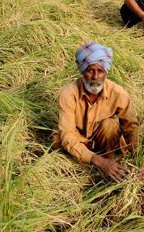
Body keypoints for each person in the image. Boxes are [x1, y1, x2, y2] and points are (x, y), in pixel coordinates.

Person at [54, 41, 139, 182]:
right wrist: (98, 161)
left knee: (110, 125)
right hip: (79, 144)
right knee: (56, 139)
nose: (95, 77)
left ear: (105, 72)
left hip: (107, 144)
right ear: (82, 71)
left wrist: (138, 159)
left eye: (100, 71)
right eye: (90, 70)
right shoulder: (68, 94)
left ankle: (112, 169)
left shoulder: (119, 94)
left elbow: (131, 128)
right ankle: (85, 171)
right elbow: (68, 135)